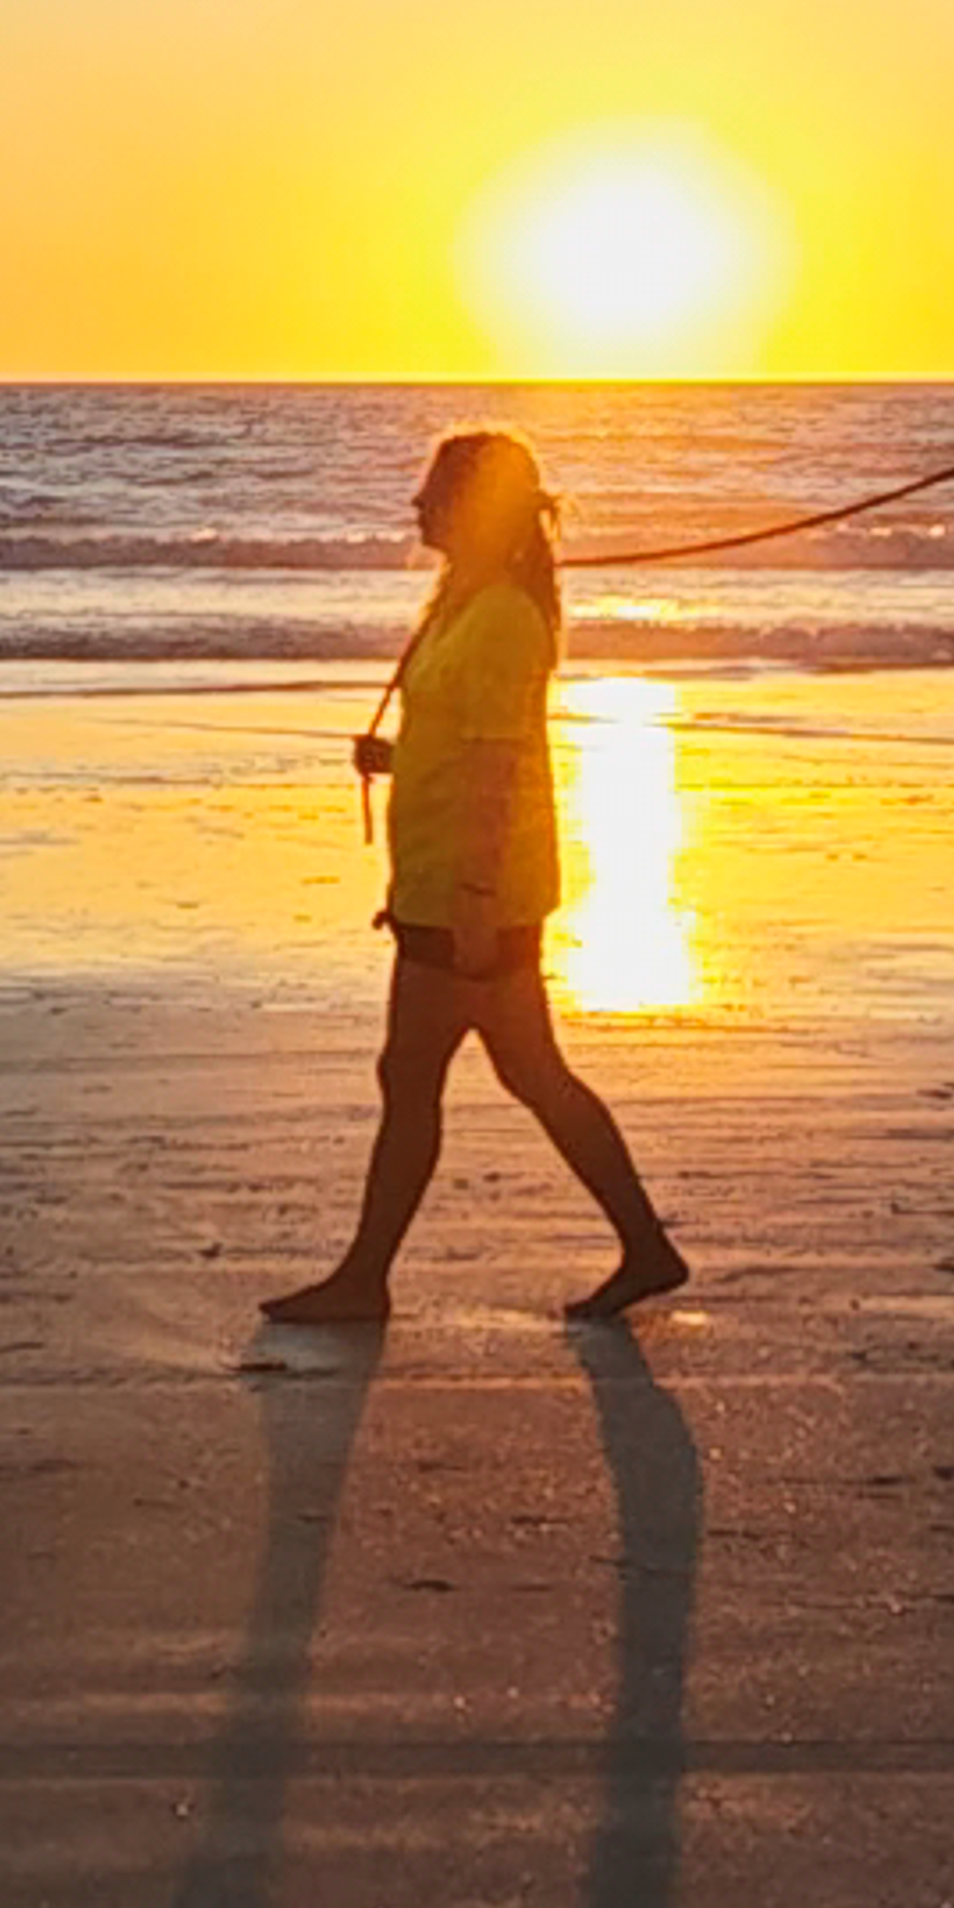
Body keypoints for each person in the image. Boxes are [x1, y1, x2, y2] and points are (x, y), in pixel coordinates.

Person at [263, 426, 690, 1331]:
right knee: (528, 1074)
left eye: (434, 490)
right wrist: (399, 757)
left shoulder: (500, 617)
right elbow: (465, 740)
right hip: (448, 884)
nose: (417, 503)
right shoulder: (465, 603)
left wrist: (474, 904)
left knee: (417, 1074)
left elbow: (498, 770)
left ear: (472, 507)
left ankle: (364, 1279)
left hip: (468, 893)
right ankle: (645, 1246)